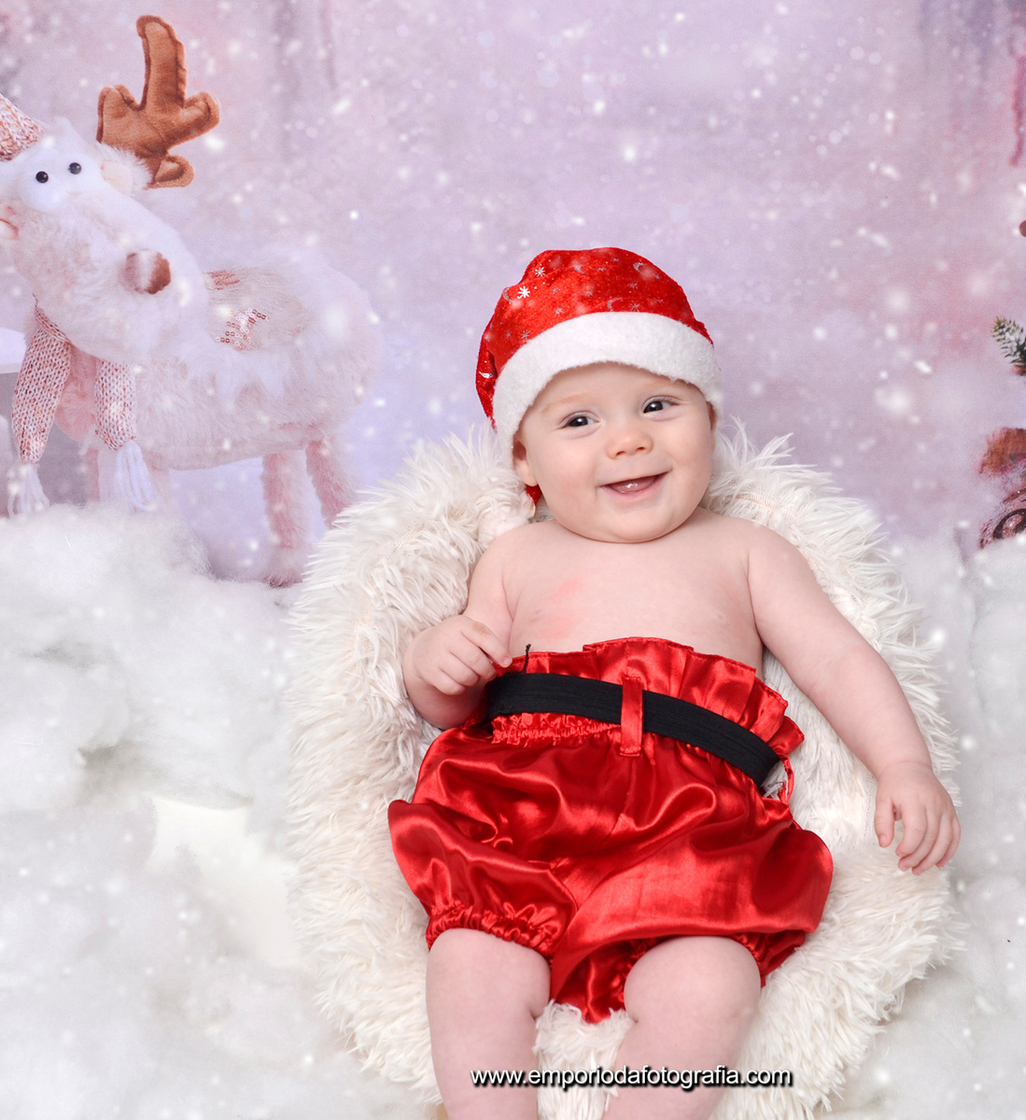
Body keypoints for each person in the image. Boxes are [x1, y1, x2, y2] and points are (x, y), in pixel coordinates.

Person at [389, 247, 959, 1120]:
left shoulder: (747, 552)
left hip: (691, 824)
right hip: (522, 807)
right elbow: (456, 705)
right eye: (580, 420)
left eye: (659, 405)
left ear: (710, 421)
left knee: (710, 984)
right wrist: (435, 663)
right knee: (470, 964)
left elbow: (838, 658)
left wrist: (904, 764)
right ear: (525, 462)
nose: (628, 439)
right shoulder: (515, 556)